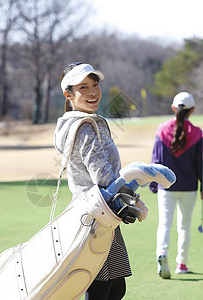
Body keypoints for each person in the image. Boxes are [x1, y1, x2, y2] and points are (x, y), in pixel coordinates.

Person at [54, 62, 148, 300]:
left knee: (114, 287)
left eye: (95, 84)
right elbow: (104, 176)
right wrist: (134, 198)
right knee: (101, 287)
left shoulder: (84, 121)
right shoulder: (84, 127)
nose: (93, 92)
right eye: (83, 87)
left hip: (102, 213)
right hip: (97, 215)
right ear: (69, 94)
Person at [149, 92, 203, 279]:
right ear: (192, 110)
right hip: (189, 188)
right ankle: (181, 264)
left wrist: (154, 185)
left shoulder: (161, 130)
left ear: (174, 108)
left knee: (164, 225)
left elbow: (155, 160)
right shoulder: (198, 133)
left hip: (166, 187)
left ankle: (162, 254)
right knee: (184, 227)